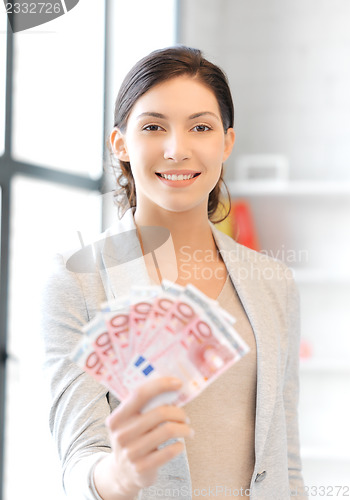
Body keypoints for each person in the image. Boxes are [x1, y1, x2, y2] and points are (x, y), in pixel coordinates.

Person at [41, 46, 306, 499]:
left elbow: (286, 463)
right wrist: (119, 474)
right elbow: (79, 458)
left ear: (226, 141)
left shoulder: (273, 282)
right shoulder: (77, 279)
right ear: (120, 143)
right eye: (153, 127)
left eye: (200, 127)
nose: (177, 149)